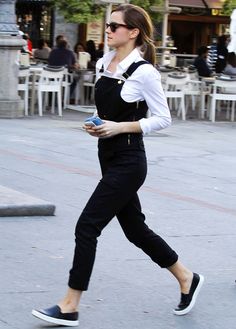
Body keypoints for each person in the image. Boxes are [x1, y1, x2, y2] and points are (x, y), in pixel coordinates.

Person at [32, 4, 204, 327]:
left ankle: (70, 304)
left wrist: (119, 127)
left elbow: (164, 118)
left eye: (114, 26)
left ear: (133, 32)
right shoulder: (103, 63)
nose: (108, 30)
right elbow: (110, 111)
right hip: (107, 155)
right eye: (107, 25)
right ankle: (186, 277)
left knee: (87, 225)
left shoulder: (144, 71)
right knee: (135, 229)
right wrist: (98, 124)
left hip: (129, 159)